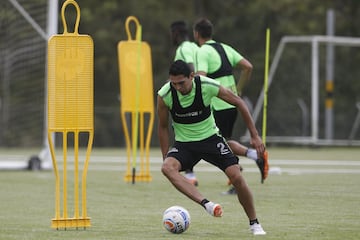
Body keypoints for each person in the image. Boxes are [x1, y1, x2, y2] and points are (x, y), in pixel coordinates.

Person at [157, 60, 266, 235]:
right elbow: (162, 127)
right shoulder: (165, 94)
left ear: (192, 77)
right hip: (185, 144)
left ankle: (255, 224)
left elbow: (239, 102)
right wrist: (165, 156)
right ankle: (207, 204)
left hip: (211, 140)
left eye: (181, 83)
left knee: (236, 176)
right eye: (173, 83)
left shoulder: (207, 85)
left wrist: (254, 135)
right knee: (166, 168)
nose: (177, 87)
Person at [193, 18, 269, 194]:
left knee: (216, 144)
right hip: (231, 103)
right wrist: (238, 90)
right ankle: (252, 158)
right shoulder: (224, 48)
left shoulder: (202, 51)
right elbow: (248, 67)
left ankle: (241, 173)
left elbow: (200, 78)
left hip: (217, 105)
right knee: (223, 141)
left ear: (197, 34)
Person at [170, 20, 200, 186]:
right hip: (202, 94)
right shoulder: (196, 47)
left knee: (182, 130)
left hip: (191, 97)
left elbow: (190, 66)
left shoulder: (183, 48)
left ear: (175, 33)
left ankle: (189, 173)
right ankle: (234, 168)